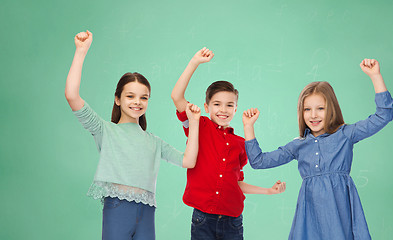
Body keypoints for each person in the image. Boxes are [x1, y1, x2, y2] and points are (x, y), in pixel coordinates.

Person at [65, 30, 201, 240]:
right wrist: (81, 51)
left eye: (143, 98)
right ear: (118, 99)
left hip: (146, 212)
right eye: (130, 96)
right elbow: (72, 96)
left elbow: (189, 160)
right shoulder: (105, 130)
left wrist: (194, 122)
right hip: (118, 208)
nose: (137, 102)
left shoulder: (154, 142)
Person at [242, 59, 393, 240]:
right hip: (310, 215)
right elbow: (259, 162)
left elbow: (384, 115)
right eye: (307, 109)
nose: (313, 115)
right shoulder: (298, 144)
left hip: (340, 211)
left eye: (320, 108)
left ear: (331, 109)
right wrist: (248, 127)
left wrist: (375, 76)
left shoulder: (345, 134)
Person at [171, 47, 286, 240]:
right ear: (207, 107)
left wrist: (268, 191)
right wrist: (194, 62)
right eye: (217, 104)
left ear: (235, 108)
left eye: (229, 105)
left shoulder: (240, 144)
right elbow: (177, 97)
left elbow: (236, 183)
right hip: (203, 218)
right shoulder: (198, 125)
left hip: (233, 220)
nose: (223, 109)